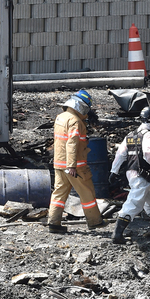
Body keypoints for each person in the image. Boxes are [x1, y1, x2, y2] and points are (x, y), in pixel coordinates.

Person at [109, 105, 150, 244]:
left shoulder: (130, 135)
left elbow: (120, 154)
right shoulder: (149, 135)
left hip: (131, 172)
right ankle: (117, 234)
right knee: (134, 202)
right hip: (142, 174)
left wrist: (114, 171)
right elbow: (148, 154)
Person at [47, 89, 105, 234]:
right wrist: (71, 166)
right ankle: (95, 221)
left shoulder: (61, 117)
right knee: (87, 193)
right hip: (75, 166)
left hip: (59, 163)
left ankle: (54, 223)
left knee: (59, 194)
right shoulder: (75, 121)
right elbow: (71, 143)